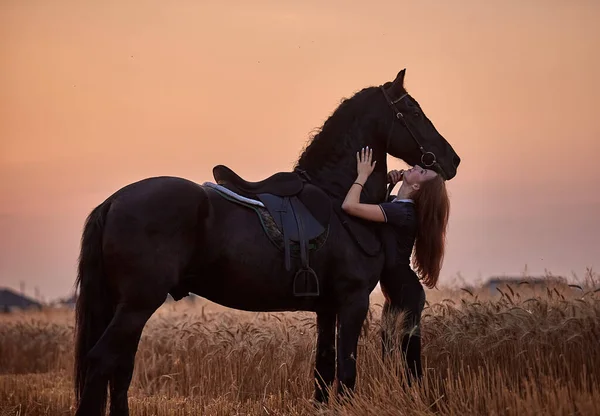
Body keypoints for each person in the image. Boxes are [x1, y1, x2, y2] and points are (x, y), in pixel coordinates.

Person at [341, 146, 450, 384]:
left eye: (422, 172)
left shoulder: (403, 212)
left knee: (409, 364)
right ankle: (402, 402)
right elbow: (380, 207)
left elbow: (350, 206)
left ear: (418, 187)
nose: (417, 167)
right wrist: (390, 184)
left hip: (406, 294)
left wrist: (362, 175)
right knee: (389, 357)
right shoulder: (398, 206)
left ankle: (418, 404)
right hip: (397, 294)